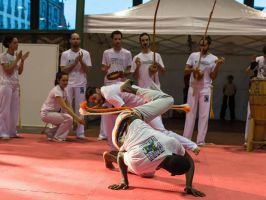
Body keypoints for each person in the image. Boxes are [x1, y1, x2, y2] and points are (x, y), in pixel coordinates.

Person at [103, 80, 205, 197]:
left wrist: (188, 185)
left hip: (129, 119)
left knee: (168, 100)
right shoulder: (140, 163)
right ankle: (131, 89)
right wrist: (124, 181)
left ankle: (109, 156)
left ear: (174, 155)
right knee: (137, 167)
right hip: (124, 128)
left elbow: (189, 161)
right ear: (171, 174)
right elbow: (121, 155)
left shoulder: (171, 144)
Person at [86, 82, 199, 154]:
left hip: (146, 106)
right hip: (143, 106)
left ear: (97, 90)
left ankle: (192, 146)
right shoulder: (107, 90)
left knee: (161, 132)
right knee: (157, 132)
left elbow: (125, 110)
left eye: (94, 98)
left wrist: (100, 111)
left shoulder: (108, 94)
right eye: (93, 101)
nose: (96, 101)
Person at [183, 36, 224, 146]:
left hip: (205, 88)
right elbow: (186, 70)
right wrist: (193, 69)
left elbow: (213, 76)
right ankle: (186, 139)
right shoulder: (193, 56)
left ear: (209, 45)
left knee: (204, 115)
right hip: (193, 87)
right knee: (190, 112)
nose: (202, 47)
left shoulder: (213, 58)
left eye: (204, 45)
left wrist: (218, 65)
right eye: (201, 45)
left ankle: (200, 141)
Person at [99, 30, 132, 141]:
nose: (117, 41)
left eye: (119, 39)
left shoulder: (127, 53)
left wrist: (125, 73)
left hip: (121, 83)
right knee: (106, 108)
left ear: (121, 40)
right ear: (112, 40)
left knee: (120, 107)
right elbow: (103, 67)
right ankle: (103, 134)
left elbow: (129, 68)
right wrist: (106, 68)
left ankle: (121, 133)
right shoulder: (107, 52)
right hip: (109, 83)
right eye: (115, 39)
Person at [60, 33, 92, 139]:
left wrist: (81, 61)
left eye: (77, 39)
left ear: (80, 41)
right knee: (66, 108)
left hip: (81, 84)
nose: (75, 41)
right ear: (70, 40)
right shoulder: (65, 54)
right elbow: (63, 70)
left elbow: (88, 70)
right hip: (68, 84)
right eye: (73, 39)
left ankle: (80, 132)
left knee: (80, 107)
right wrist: (75, 62)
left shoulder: (86, 53)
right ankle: (65, 131)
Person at [40, 72, 85, 142]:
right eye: (63, 80)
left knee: (70, 121)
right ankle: (58, 137)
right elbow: (65, 107)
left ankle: (50, 132)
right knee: (69, 119)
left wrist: (75, 119)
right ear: (58, 80)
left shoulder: (64, 91)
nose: (66, 82)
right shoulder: (57, 91)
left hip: (51, 114)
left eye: (67, 80)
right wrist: (77, 118)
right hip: (46, 114)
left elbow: (69, 105)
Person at [0, 36, 29, 139]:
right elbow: (8, 70)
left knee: (14, 110)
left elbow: (19, 72)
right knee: (5, 110)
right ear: (9, 44)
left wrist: (22, 60)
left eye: (17, 42)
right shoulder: (3, 56)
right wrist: (17, 59)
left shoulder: (15, 56)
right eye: (15, 43)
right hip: (6, 84)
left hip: (15, 85)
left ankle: (12, 131)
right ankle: (2, 132)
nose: (17, 45)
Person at [244, 46, 266, 143]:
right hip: (257, 92)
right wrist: (252, 65)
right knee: (251, 115)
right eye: (265, 55)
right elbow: (247, 71)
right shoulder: (258, 59)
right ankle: (248, 139)